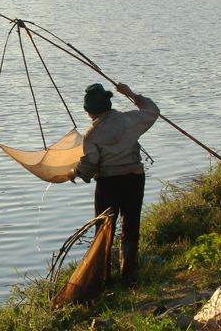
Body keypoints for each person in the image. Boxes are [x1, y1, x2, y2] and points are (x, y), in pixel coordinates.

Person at [67, 82, 160, 286]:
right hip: (134, 179)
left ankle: (103, 278)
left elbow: (89, 166)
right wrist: (131, 94)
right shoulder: (129, 120)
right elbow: (153, 111)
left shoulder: (92, 135)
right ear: (108, 104)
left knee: (104, 229)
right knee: (131, 223)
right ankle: (128, 275)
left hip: (109, 184)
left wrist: (74, 172)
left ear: (89, 111)